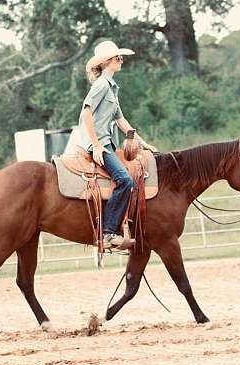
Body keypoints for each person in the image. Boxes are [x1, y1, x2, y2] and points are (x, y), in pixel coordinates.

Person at [77, 40, 157, 249]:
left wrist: (143, 142)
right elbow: (86, 111)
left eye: (121, 57)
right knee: (124, 180)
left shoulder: (112, 88)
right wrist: (95, 145)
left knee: (125, 177)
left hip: (106, 143)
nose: (121, 60)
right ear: (107, 62)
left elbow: (121, 121)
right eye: (118, 57)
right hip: (98, 144)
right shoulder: (102, 85)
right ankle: (109, 232)